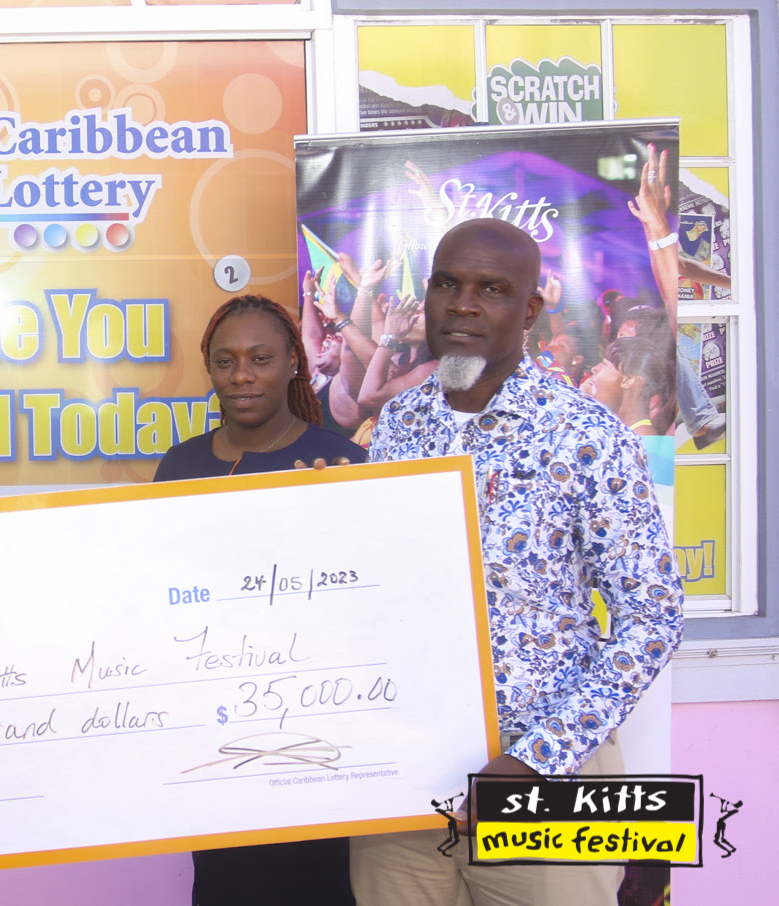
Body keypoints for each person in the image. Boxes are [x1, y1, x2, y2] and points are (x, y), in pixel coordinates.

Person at [354, 219, 683, 905]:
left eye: (492, 289)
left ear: (530, 310)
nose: (463, 305)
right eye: (447, 284)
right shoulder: (399, 426)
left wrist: (537, 758)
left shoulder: (586, 435)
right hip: (407, 772)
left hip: (545, 775)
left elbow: (652, 619)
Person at [154, 294, 362, 906]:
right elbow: (158, 593)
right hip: (216, 738)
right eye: (225, 361)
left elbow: (370, 608)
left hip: (318, 738)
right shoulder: (181, 465)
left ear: (294, 362)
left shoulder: (342, 463)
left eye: (260, 358)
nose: (241, 375)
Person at [579, 336, 674, 436]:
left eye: (604, 364)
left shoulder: (643, 440)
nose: (594, 369)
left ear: (628, 380)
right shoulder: (620, 431)